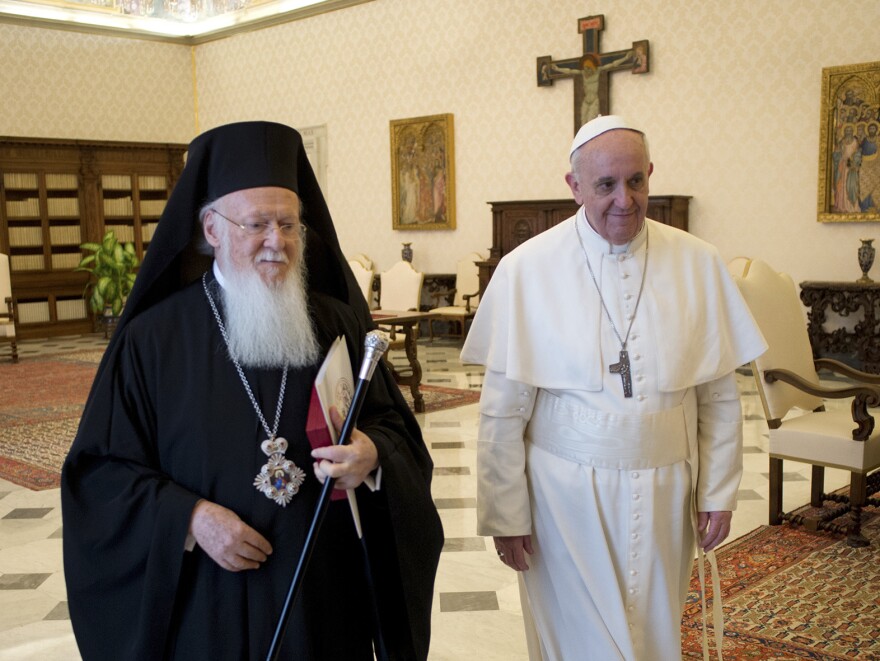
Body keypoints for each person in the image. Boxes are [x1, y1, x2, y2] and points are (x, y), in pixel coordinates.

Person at [62, 121, 444, 660]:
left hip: (323, 597)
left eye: (289, 224)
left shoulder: (336, 322)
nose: (277, 242)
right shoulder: (153, 340)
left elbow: (393, 430)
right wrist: (189, 518)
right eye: (257, 224)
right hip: (205, 603)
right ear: (211, 229)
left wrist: (372, 454)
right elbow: (100, 474)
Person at [461, 115, 767, 660]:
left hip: (665, 493)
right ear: (574, 186)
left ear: (650, 175)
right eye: (605, 185)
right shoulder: (527, 269)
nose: (624, 200)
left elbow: (718, 397)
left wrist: (718, 490)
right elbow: (503, 411)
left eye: (635, 182)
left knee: (652, 634)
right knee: (584, 644)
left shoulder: (698, 262)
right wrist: (506, 515)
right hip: (563, 499)